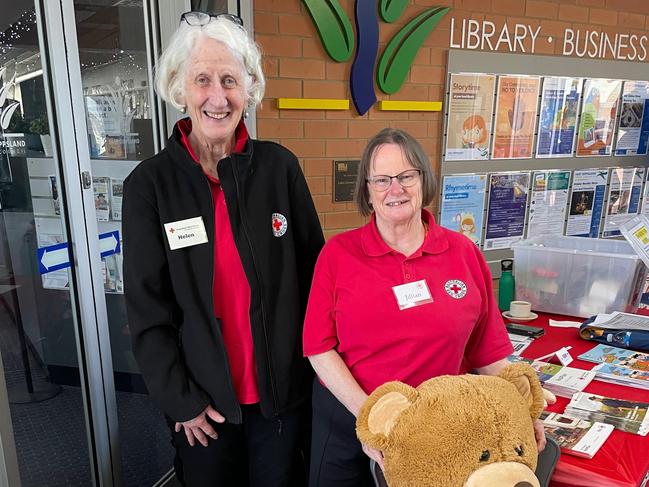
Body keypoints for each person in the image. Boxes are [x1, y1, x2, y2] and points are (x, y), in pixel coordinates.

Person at [122, 11, 324, 487]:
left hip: (280, 402)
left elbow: (317, 278)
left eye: (231, 80)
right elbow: (147, 309)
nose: (218, 96)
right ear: (180, 88)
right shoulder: (150, 186)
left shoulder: (280, 169)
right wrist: (180, 400)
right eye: (203, 80)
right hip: (203, 412)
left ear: (248, 89)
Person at [303, 128, 550, 487]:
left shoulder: (463, 253)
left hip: (442, 432)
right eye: (382, 180)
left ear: (423, 180)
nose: (395, 189)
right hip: (350, 420)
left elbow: (487, 351)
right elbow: (319, 348)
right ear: (367, 191)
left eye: (406, 176)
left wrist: (519, 412)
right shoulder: (338, 255)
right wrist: (373, 422)